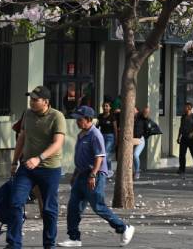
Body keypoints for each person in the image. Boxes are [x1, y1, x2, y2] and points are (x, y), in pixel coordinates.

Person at [57, 106, 135, 247]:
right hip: (81, 175)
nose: (77, 122)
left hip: (95, 175)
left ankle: (124, 227)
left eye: (79, 119)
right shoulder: (81, 134)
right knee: (73, 207)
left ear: (88, 120)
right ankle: (74, 238)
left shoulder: (95, 135)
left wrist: (93, 175)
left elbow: (99, 158)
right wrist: (75, 174)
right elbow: (81, 158)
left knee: (98, 206)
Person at [8, 86, 66, 249]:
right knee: (15, 202)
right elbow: (22, 137)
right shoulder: (27, 114)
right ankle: (14, 244)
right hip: (27, 167)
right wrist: (14, 162)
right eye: (31, 99)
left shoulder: (57, 116)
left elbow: (58, 143)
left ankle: (49, 244)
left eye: (35, 99)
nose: (31, 102)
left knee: (48, 209)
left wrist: (39, 158)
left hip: (49, 168)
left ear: (45, 102)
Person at [177, 102, 193, 175]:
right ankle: (182, 169)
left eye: (185, 107)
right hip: (184, 138)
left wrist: (192, 133)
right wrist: (178, 137)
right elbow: (181, 127)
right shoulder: (183, 116)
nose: (184, 108)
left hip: (192, 139)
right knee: (182, 154)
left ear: (189, 108)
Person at [97, 101, 118, 177]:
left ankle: (108, 170)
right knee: (103, 153)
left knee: (106, 153)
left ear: (110, 108)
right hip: (102, 136)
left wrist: (116, 139)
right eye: (104, 106)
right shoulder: (100, 116)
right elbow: (97, 126)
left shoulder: (112, 117)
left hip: (110, 137)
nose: (105, 107)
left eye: (107, 106)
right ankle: (106, 170)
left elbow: (115, 129)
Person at [133, 106, 153, 180]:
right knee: (129, 157)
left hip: (140, 140)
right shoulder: (128, 118)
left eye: (134, 109)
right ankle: (132, 171)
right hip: (131, 140)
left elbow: (145, 114)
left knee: (135, 155)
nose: (132, 111)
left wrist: (144, 137)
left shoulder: (141, 117)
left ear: (137, 111)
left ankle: (137, 171)